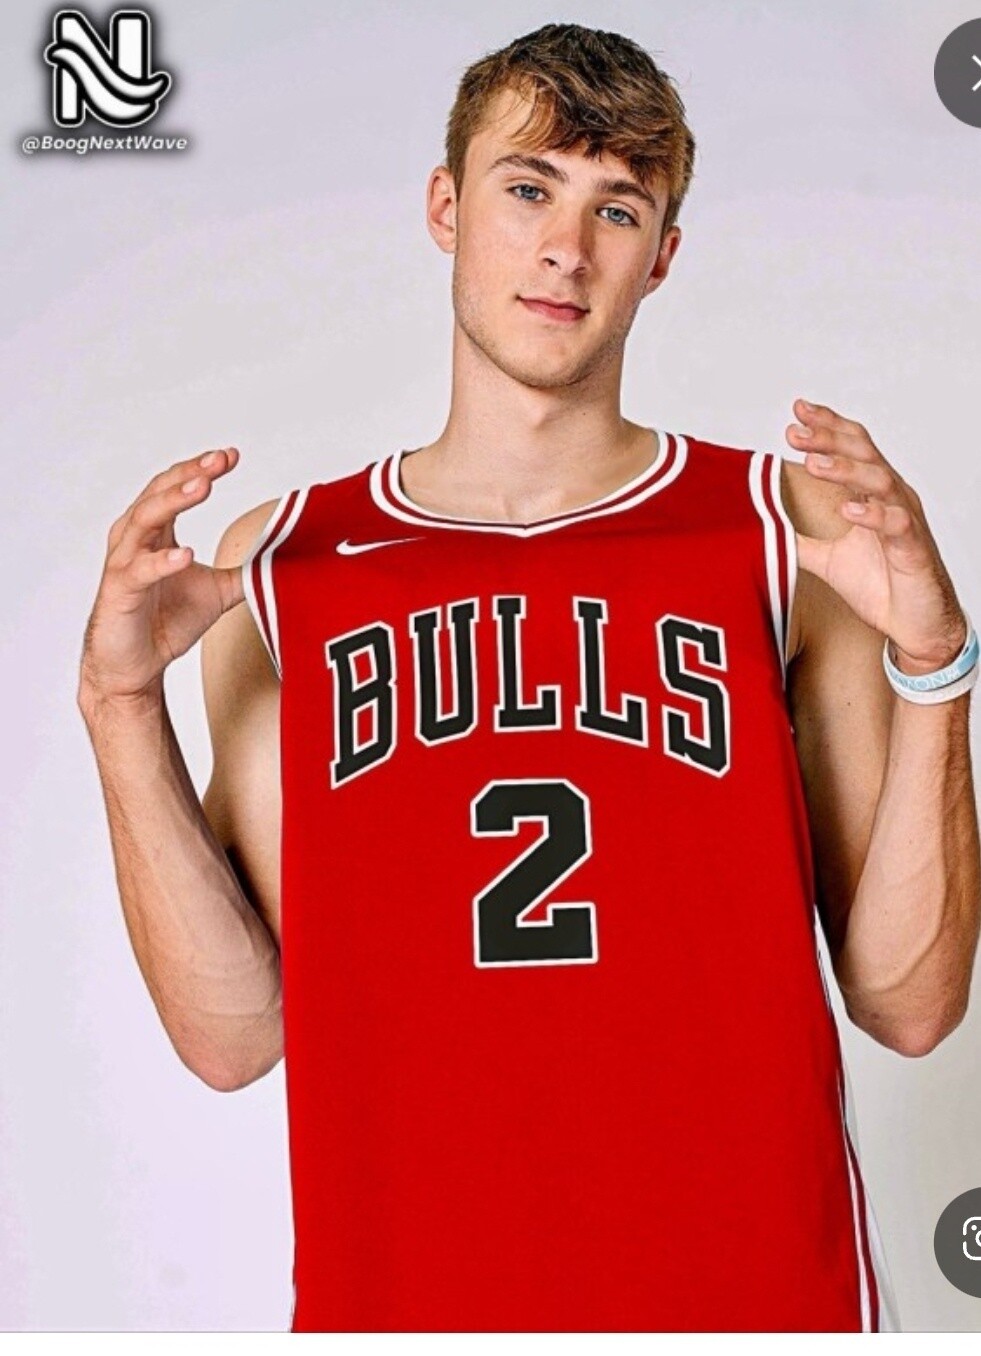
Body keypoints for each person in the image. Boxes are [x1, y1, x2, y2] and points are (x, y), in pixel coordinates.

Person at [77, 22, 980, 1334]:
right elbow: (233, 1037)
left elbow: (908, 1004)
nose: (566, 248)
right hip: (408, 1303)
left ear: (660, 256)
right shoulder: (285, 563)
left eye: (616, 208)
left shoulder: (782, 536)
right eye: (528, 188)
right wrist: (119, 710)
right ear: (446, 208)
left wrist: (936, 668)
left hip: (748, 1299)